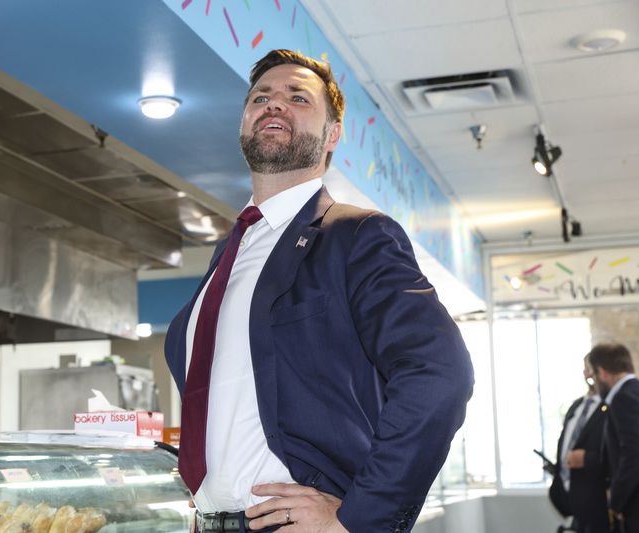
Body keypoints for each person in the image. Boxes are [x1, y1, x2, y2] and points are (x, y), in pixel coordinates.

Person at [164, 49, 474, 533]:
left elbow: (438, 374)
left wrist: (359, 519)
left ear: (332, 135)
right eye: (260, 98)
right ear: (244, 124)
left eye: (297, 98)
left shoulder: (357, 236)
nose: (273, 104)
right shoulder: (229, 253)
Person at [588, 343, 639, 533]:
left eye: (593, 375)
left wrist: (616, 502)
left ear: (602, 372)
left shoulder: (625, 399)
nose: (594, 382)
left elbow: (636, 455)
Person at [548, 355, 609, 533]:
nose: (585, 373)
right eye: (584, 368)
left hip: (598, 502)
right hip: (570, 498)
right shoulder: (576, 406)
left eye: (589, 368)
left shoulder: (611, 407)